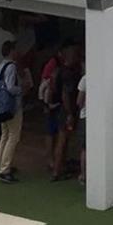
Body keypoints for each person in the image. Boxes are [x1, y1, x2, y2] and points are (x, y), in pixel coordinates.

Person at [0, 40, 25, 183]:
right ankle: (4, 169)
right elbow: (10, 87)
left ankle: (4, 164)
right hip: (12, 106)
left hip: (0, 105)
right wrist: (22, 89)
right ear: (11, 51)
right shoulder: (11, 67)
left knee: (5, 134)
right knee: (13, 136)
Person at [46, 43, 81, 181]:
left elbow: (52, 89)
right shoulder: (68, 74)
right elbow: (65, 94)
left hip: (59, 108)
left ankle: (60, 167)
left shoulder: (58, 71)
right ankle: (56, 170)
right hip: (65, 110)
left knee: (64, 140)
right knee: (62, 139)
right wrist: (70, 113)